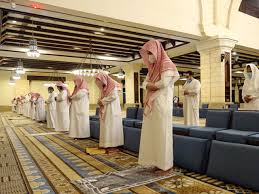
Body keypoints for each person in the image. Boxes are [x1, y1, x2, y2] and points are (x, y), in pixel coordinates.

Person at [138, 39, 179, 173]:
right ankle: (156, 161)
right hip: (152, 104)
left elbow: (163, 83)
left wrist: (150, 85)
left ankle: (166, 165)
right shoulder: (152, 69)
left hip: (162, 103)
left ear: (157, 51)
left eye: (151, 52)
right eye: (147, 53)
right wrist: (149, 85)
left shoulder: (167, 65)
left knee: (163, 133)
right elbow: (144, 83)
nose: (149, 55)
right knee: (153, 133)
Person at [95, 71, 124, 152]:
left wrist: (102, 101)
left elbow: (113, 96)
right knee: (106, 126)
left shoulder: (113, 86)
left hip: (112, 110)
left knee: (111, 126)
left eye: (99, 80)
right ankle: (105, 144)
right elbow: (103, 97)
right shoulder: (104, 88)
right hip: (107, 109)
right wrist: (100, 100)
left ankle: (113, 145)